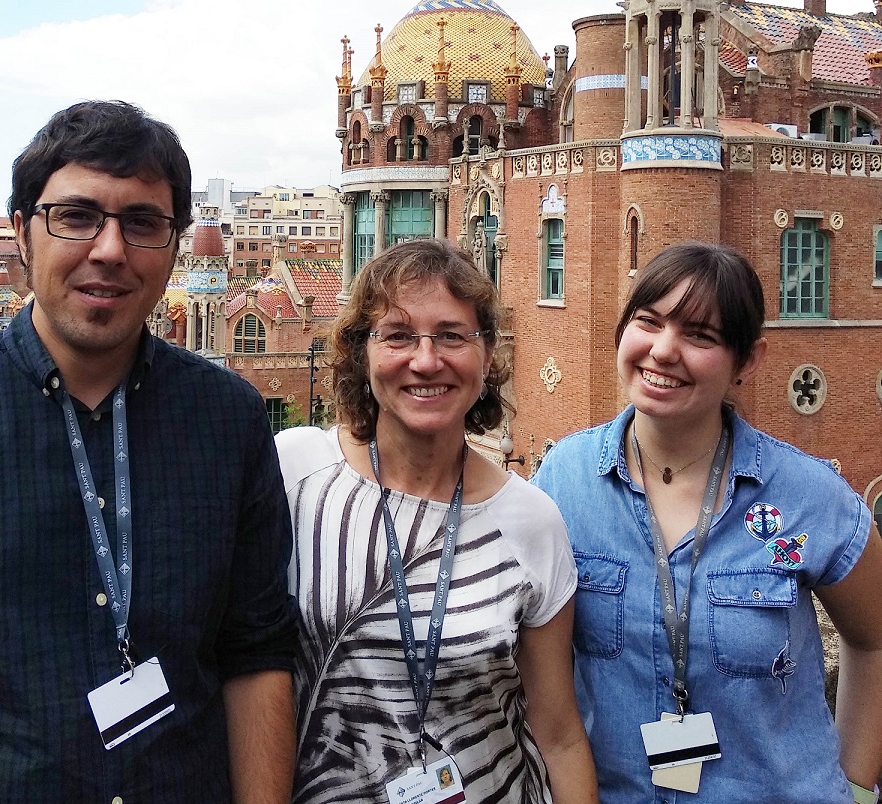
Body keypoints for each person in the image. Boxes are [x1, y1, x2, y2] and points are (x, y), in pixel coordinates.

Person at [0, 100, 298, 803]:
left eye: (142, 223)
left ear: (175, 247)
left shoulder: (229, 420)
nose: (110, 249)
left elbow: (257, 652)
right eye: (76, 216)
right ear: (22, 235)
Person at [532, 241, 882, 803]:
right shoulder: (563, 480)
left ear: (748, 360)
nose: (663, 351)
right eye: (648, 322)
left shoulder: (807, 495)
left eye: (700, 335)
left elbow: (875, 639)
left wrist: (857, 789)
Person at [276, 239, 598, 804]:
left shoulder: (530, 521)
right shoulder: (296, 473)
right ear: (362, 353)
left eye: (452, 336)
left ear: (488, 354)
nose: (426, 361)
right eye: (398, 335)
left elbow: (559, 733)